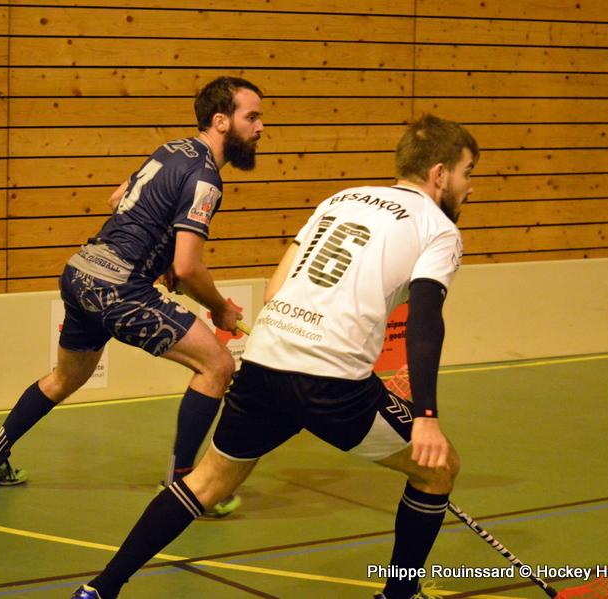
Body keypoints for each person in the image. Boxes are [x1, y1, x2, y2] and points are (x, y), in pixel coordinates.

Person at [71, 114, 479, 599]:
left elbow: (274, 289)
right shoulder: (438, 229)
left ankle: (100, 588)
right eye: (467, 173)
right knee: (439, 469)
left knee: (206, 483)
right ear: (439, 174)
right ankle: (399, 595)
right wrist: (426, 416)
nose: (469, 187)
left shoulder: (341, 199)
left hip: (265, 360)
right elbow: (426, 319)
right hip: (332, 379)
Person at [0, 76, 265, 518]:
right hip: (119, 288)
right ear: (221, 122)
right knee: (217, 366)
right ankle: (185, 484)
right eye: (251, 117)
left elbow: (118, 198)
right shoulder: (206, 179)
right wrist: (219, 307)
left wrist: (158, 257)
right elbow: (188, 268)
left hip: (81, 272)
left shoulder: (170, 150)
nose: (260, 128)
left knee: (66, 377)